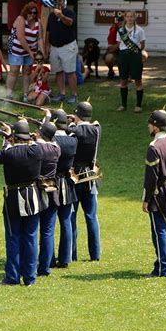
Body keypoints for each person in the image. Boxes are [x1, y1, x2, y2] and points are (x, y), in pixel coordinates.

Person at [0, 120, 43, 286]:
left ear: (15, 137)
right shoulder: (37, 151)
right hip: (33, 197)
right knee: (30, 238)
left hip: (14, 199)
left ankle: (12, 277)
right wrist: (10, 135)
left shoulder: (9, 153)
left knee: (13, 238)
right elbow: (31, 142)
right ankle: (30, 278)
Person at [142, 109, 166, 277]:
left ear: (156, 127)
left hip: (159, 193)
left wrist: (146, 199)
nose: (149, 127)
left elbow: (151, 178)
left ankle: (162, 269)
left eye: (150, 124)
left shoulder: (154, 147)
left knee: (160, 232)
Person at [69, 101, 101, 262]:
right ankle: (95, 254)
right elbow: (93, 124)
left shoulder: (73, 131)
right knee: (91, 216)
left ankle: (71, 254)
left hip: (74, 176)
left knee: (71, 217)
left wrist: (70, 122)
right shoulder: (96, 129)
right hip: (90, 176)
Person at [48, 108, 78, 268]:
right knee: (66, 222)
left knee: (50, 224)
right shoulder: (73, 140)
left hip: (52, 184)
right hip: (67, 182)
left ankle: (49, 259)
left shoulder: (51, 141)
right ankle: (65, 258)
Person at [35, 120, 61, 276]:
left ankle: (32, 264)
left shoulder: (36, 148)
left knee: (31, 231)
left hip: (37, 192)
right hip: (52, 191)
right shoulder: (56, 148)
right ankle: (45, 267)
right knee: (47, 232)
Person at [6, 2, 44, 102]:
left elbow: (40, 38)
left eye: (35, 13)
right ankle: (8, 94)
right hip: (16, 48)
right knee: (14, 71)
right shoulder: (21, 19)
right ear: (26, 12)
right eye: (30, 12)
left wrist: (42, 52)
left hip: (31, 49)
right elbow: (21, 37)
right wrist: (30, 52)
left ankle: (25, 95)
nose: (32, 15)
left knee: (27, 72)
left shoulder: (38, 22)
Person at [45, 0, 78, 104]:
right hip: (54, 47)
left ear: (63, 1)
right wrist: (47, 46)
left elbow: (70, 23)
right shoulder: (51, 15)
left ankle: (74, 95)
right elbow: (48, 32)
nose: (57, 2)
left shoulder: (69, 12)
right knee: (58, 71)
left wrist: (61, 16)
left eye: (59, 0)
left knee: (70, 72)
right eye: (55, 1)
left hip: (67, 46)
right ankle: (61, 94)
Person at [116, 10, 146, 113]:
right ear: (125, 18)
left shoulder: (140, 30)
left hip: (135, 56)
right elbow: (119, 44)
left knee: (138, 80)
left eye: (131, 17)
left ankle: (138, 105)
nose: (129, 18)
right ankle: (123, 105)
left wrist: (137, 53)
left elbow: (142, 45)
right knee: (123, 80)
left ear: (134, 18)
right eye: (128, 17)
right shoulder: (120, 30)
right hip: (123, 56)